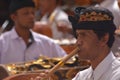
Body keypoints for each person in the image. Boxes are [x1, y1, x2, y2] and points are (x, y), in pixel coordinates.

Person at [33, 7, 120, 80]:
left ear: (104, 39)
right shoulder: (81, 76)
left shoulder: (117, 75)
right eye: (78, 35)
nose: (78, 42)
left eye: (84, 35)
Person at [0, 0, 67, 64]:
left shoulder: (46, 43)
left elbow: (66, 61)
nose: (31, 16)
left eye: (33, 13)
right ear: (14, 17)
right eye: (26, 13)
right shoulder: (2, 43)